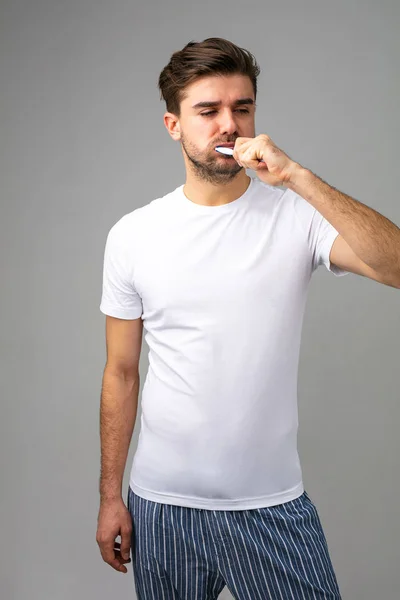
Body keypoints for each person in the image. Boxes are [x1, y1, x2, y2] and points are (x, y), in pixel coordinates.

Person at [96, 37, 400, 599]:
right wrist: (110, 496)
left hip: (271, 505)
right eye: (208, 111)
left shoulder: (297, 216)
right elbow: (120, 372)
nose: (228, 124)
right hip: (163, 509)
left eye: (242, 108)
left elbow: (396, 267)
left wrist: (299, 178)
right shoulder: (133, 236)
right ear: (173, 124)